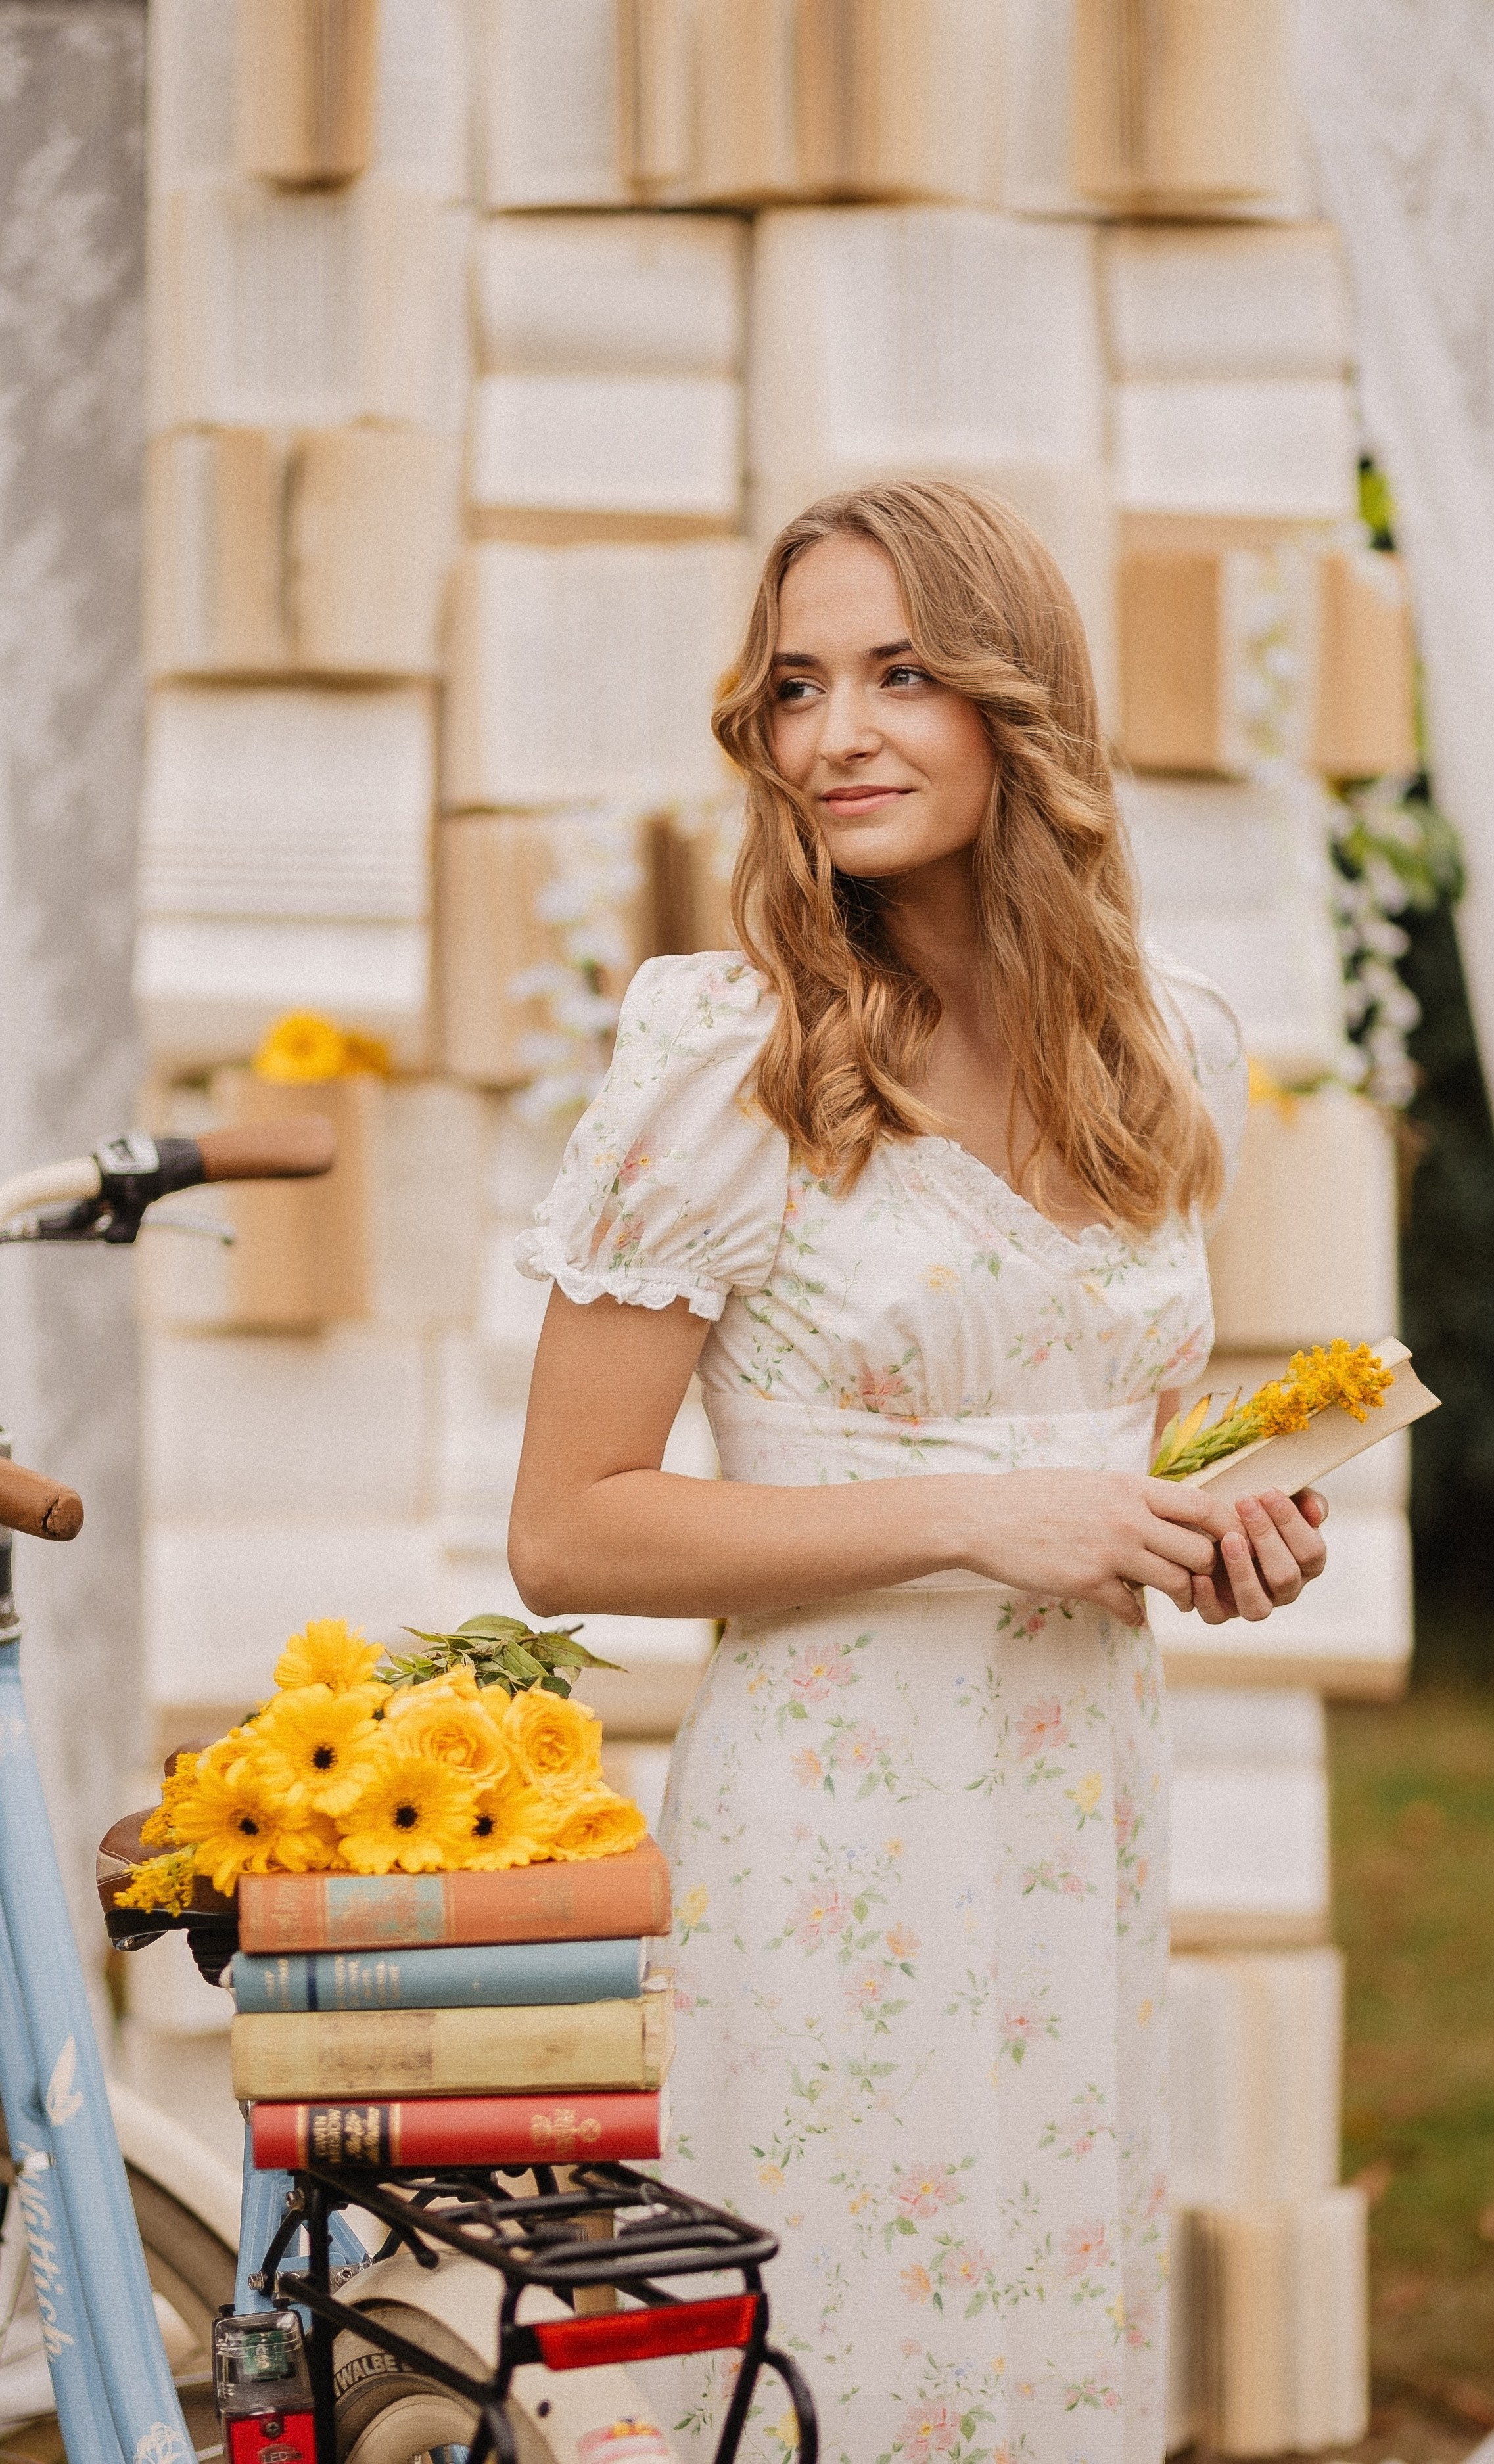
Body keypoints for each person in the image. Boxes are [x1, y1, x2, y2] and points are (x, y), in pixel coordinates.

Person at [509, 480, 1328, 2464]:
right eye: (794, 686)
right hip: (832, 1846)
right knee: (826, 2372)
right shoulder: (734, 1056)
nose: (833, 735)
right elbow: (568, 1526)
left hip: (1077, 1815)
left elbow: (1099, 1465)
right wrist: (976, 1512)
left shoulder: (1163, 1044)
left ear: (1013, 705)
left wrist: (1204, 1525)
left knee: (1034, 2352)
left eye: (898, 675)